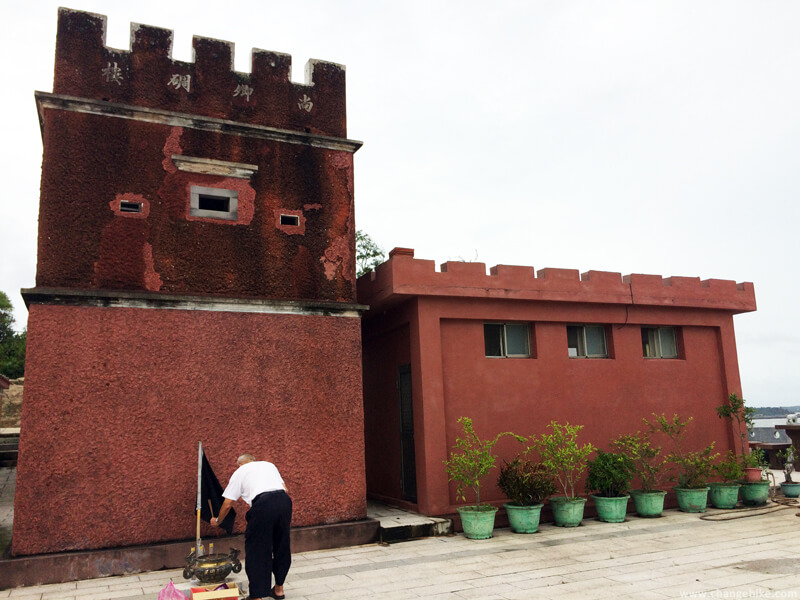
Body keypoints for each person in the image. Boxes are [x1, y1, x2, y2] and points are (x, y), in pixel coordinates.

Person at [212, 453, 292, 600]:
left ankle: (257, 596)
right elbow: (285, 488)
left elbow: (228, 503)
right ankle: (279, 590)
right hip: (284, 502)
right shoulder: (269, 465)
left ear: (240, 464)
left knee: (257, 550)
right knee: (282, 546)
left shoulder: (240, 472)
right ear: (253, 461)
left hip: (263, 504)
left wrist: (217, 521)